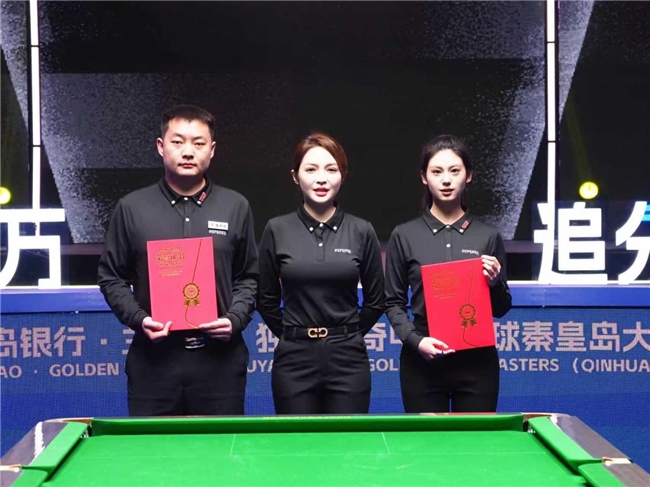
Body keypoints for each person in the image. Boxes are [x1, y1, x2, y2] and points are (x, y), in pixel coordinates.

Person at [98, 104, 258, 416]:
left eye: (198, 143)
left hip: (220, 364)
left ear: (212, 150)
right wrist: (139, 319)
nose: (188, 152)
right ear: (161, 146)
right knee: (153, 448)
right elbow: (111, 276)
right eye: (177, 141)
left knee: (218, 447)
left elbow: (248, 276)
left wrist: (235, 319)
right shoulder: (131, 208)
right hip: (153, 363)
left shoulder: (235, 206)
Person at [256, 132, 384, 414]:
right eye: (311, 169)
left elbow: (376, 301)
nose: (321, 179)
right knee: (297, 440)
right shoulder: (277, 229)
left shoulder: (362, 230)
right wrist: (292, 335)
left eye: (331, 169)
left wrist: (347, 334)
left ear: (343, 175)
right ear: (295, 176)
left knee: (348, 441)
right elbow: (265, 300)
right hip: (294, 359)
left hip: (348, 359)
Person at [384, 134, 512, 413]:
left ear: (468, 176)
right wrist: (416, 341)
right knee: (426, 440)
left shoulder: (488, 236)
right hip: (422, 360)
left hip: (478, 362)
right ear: (424, 177)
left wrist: (494, 283)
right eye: (437, 172)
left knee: (476, 439)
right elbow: (392, 302)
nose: (446, 180)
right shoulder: (404, 235)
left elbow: (502, 308)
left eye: (455, 171)